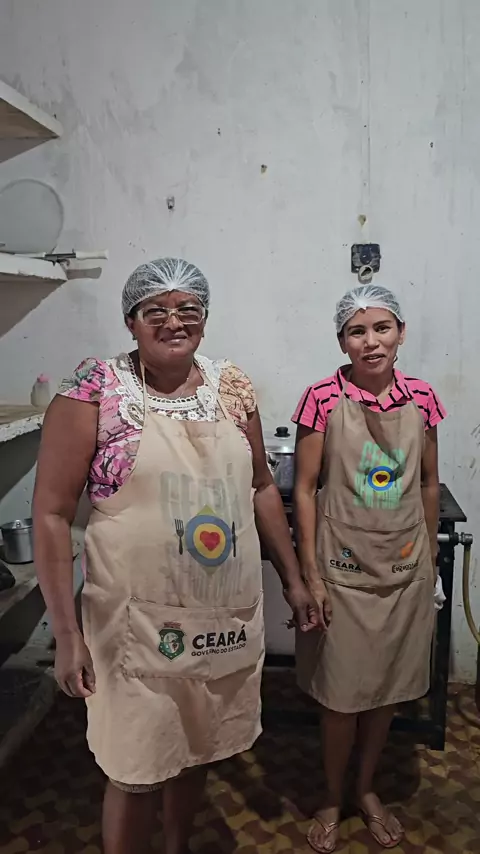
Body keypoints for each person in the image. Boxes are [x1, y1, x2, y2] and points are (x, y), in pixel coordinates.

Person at [33, 257, 319, 854]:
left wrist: (293, 579)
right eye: (155, 311)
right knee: (135, 769)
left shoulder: (231, 387)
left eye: (188, 309)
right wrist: (66, 633)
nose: (173, 321)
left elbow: (261, 487)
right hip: (134, 627)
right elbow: (52, 515)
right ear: (131, 321)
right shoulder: (96, 388)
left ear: (205, 319)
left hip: (219, 620)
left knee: (197, 750)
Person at [292, 285, 446, 852]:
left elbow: (428, 482)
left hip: (404, 569)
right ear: (342, 341)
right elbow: (304, 489)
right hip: (342, 569)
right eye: (357, 331)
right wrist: (310, 574)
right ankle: (333, 796)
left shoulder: (423, 397)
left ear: (401, 333)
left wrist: (430, 557)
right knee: (340, 696)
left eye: (382, 327)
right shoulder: (320, 398)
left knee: (385, 691)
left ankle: (365, 788)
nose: (371, 341)